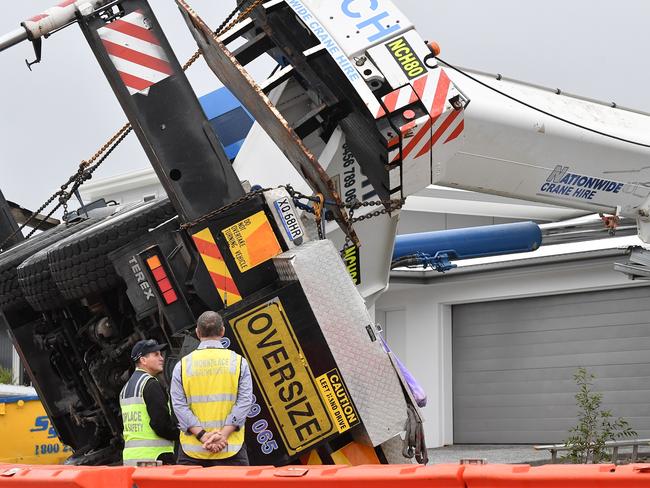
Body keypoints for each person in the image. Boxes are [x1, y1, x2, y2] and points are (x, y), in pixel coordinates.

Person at [171, 311, 253, 466]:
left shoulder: (182, 366)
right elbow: (244, 402)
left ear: (197, 332)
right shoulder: (238, 363)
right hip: (230, 449)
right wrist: (223, 435)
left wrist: (203, 436)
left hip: (193, 451)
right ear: (222, 331)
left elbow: (179, 406)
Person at [119, 338, 179, 466]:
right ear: (143, 360)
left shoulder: (126, 389)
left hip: (132, 459)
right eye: (156, 354)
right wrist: (181, 434)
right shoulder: (150, 384)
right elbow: (161, 424)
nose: (162, 358)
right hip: (155, 457)